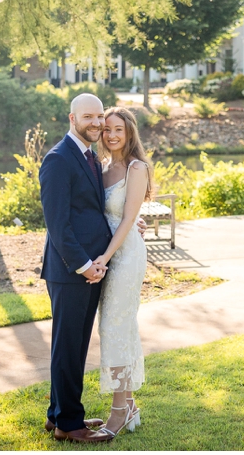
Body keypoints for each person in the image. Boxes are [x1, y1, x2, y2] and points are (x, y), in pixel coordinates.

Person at [38, 93, 145, 444]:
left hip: (94, 267)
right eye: (90, 117)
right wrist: (85, 265)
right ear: (72, 118)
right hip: (73, 269)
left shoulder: (89, 157)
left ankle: (60, 415)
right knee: (68, 347)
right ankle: (69, 424)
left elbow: (98, 210)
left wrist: (130, 225)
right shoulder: (58, 159)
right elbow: (58, 224)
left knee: (72, 346)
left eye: (100, 117)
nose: (97, 124)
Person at [93, 106, 150, 437]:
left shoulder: (136, 167)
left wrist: (104, 258)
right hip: (108, 251)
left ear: (130, 133)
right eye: (107, 130)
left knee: (116, 326)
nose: (112, 135)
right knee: (115, 327)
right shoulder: (101, 168)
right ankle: (128, 406)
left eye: (119, 130)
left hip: (125, 256)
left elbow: (129, 219)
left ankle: (117, 412)